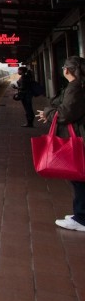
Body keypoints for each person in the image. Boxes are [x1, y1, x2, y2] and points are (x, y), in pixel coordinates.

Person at [37, 56, 85, 232]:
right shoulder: (79, 86)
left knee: (79, 177)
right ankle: (80, 214)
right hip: (81, 136)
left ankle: (81, 218)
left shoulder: (75, 88)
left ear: (67, 70)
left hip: (79, 138)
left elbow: (65, 113)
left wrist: (48, 112)